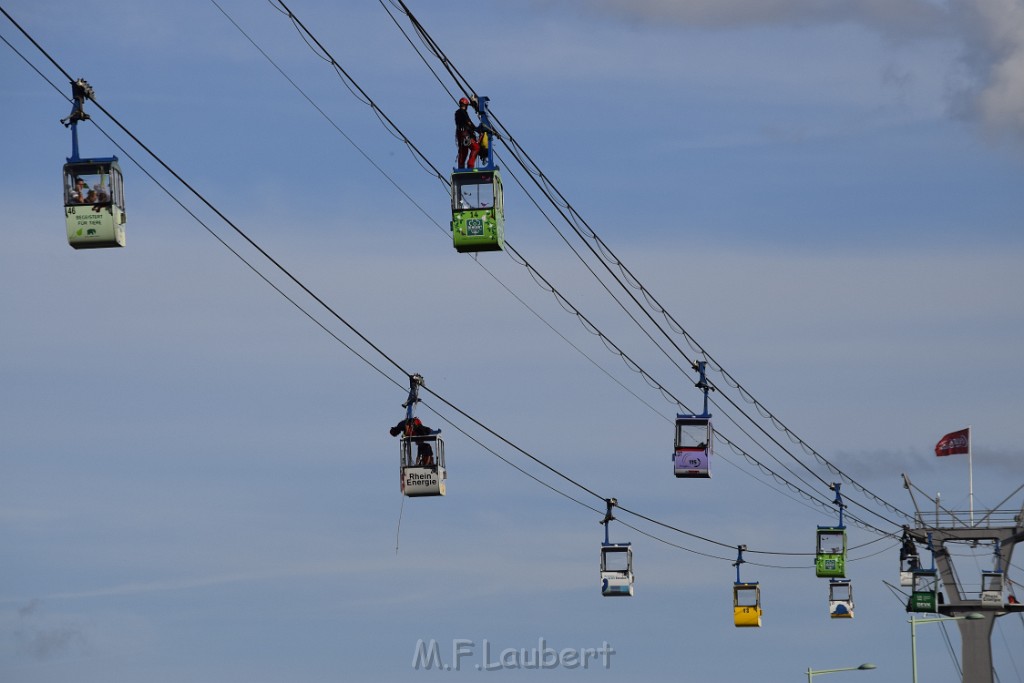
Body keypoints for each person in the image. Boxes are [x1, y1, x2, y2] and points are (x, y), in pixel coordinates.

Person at [454, 97, 479, 169]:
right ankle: (470, 165)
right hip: (465, 135)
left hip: (460, 136)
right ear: (466, 105)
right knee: (476, 147)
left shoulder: (457, 113)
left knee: (463, 151)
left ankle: (461, 167)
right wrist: (476, 128)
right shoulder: (463, 112)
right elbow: (468, 122)